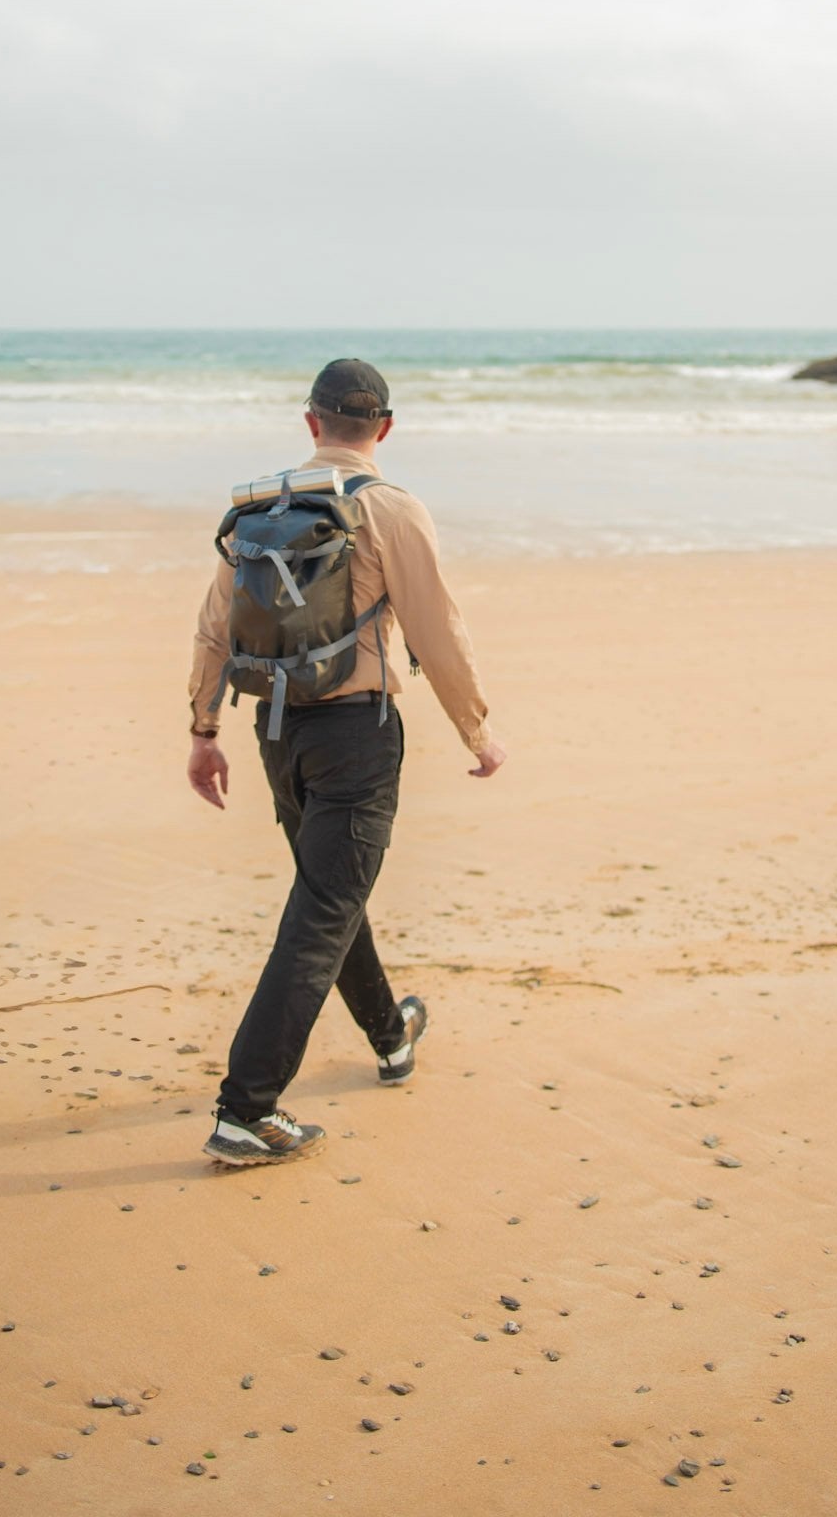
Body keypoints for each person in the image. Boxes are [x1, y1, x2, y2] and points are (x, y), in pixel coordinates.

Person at [186, 357, 507, 1164]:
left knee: (330, 891)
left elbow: (214, 626)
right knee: (324, 908)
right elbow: (437, 629)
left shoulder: (258, 504)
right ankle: (245, 1111)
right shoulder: (390, 509)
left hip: (273, 730)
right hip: (355, 735)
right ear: (386, 429)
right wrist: (476, 730)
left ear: (310, 423)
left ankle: (390, 1037)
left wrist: (202, 730)